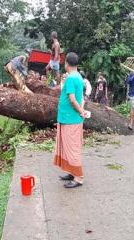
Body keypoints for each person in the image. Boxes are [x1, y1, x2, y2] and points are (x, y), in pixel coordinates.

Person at [54, 52, 87, 189]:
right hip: (68, 118)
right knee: (67, 147)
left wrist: (81, 112)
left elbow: (73, 100)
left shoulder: (71, 78)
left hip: (70, 119)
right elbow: (82, 97)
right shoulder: (77, 76)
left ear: (66, 63)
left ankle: (78, 178)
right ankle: (72, 172)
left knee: (72, 148)